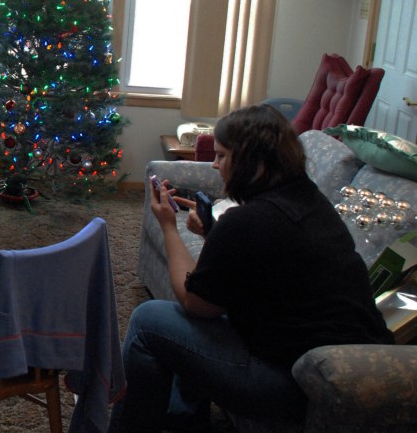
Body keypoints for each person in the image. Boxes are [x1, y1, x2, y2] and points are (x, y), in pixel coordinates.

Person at [109, 104, 393, 432]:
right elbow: (256, 268)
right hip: (340, 363)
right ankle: (182, 418)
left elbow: (195, 302)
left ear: (250, 160)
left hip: (293, 384)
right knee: (192, 323)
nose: (214, 165)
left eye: (221, 155)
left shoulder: (250, 221)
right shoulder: (309, 200)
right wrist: (212, 235)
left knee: (148, 321)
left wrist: (169, 227)